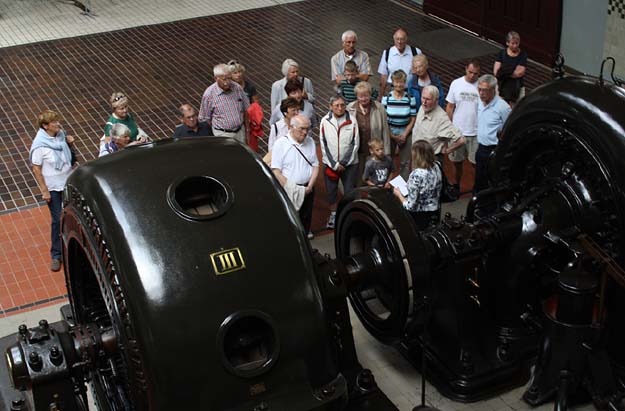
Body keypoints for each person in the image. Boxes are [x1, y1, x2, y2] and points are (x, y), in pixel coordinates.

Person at [29, 110, 75, 271]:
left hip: (68, 182)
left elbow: (67, 156)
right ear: (45, 126)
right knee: (57, 220)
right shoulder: (39, 146)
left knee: (75, 215)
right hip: (54, 189)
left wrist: (70, 144)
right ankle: (56, 255)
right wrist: (44, 190)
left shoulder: (60, 135)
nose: (58, 124)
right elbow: (36, 168)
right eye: (54, 123)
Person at [271, 115, 319, 239]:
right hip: (289, 189)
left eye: (307, 129)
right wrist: (292, 188)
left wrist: (309, 187)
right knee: (290, 218)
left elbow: (315, 166)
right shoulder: (280, 144)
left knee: (306, 216)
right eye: (302, 129)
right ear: (291, 127)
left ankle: (305, 238)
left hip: (308, 188)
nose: (305, 132)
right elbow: (276, 171)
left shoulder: (310, 141)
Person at [320, 96, 360, 229]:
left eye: (342, 105)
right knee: (331, 192)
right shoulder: (325, 121)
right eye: (336, 105)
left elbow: (355, 143)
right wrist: (334, 164)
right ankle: (333, 215)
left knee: (349, 192)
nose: (340, 108)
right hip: (331, 165)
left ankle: (349, 215)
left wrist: (344, 162)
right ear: (330, 106)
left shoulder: (352, 121)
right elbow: (323, 143)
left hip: (349, 165)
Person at [446, 60, 481, 190]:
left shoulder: (482, 86)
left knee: (476, 164)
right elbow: (450, 107)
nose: (472, 76)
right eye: (470, 72)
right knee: (456, 163)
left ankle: (477, 188)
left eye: (475, 74)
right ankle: (456, 186)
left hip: (475, 133)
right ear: (466, 69)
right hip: (457, 132)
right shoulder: (456, 83)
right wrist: (449, 128)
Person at [347, 81, 391, 183]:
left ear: (370, 95)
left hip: (375, 150)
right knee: (358, 177)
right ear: (357, 96)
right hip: (358, 150)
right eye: (360, 96)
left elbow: (385, 130)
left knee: (375, 178)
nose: (363, 99)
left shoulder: (379, 107)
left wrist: (387, 151)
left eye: (366, 95)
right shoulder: (350, 108)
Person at [393, 140, 442, 230]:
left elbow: (410, 206)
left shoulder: (416, 174)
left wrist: (399, 194)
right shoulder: (437, 166)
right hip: (435, 211)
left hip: (420, 216)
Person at [475, 74, 512, 193]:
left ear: (493, 90)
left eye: (484, 90)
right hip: (481, 148)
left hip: (494, 151)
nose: (481, 93)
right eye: (479, 89)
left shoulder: (503, 107)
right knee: (479, 180)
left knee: (491, 183)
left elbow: (508, 129)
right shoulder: (480, 102)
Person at [412, 85, 465, 166]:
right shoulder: (422, 108)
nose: (424, 102)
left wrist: (448, 150)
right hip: (417, 156)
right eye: (423, 98)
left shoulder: (442, 118)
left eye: (428, 99)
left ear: (436, 100)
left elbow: (461, 140)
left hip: (430, 160)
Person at [198, 63, 250, 144]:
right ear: (216, 78)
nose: (227, 82)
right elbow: (204, 118)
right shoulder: (209, 94)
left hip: (240, 131)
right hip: (222, 134)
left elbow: (246, 108)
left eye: (229, 78)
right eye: (224, 79)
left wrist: (247, 130)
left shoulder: (237, 88)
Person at [382, 69, 417, 180]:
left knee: (405, 163)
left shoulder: (410, 98)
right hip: (390, 133)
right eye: (396, 82)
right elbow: (384, 119)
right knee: (388, 161)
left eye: (401, 82)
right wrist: (392, 135)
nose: (399, 84)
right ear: (392, 82)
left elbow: (413, 118)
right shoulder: (386, 98)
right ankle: (387, 185)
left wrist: (405, 134)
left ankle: (403, 188)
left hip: (405, 134)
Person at [378, 28, 422, 98]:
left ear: (406, 39)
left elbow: (421, 73)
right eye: (397, 39)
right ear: (394, 39)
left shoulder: (416, 52)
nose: (399, 42)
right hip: (392, 90)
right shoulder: (387, 53)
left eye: (402, 39)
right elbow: (384, 75)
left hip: (410, 91)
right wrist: (381, 95)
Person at [493, 31, 527, 105]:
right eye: (512, 43)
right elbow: (496, 72)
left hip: (517, 87)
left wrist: (504, 71)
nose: (515, 46)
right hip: (501, 87)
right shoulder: (502, 53)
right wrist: (512, 70)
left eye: (516, 43)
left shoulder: (522, 55)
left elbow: (519, 72)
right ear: (507, 43)